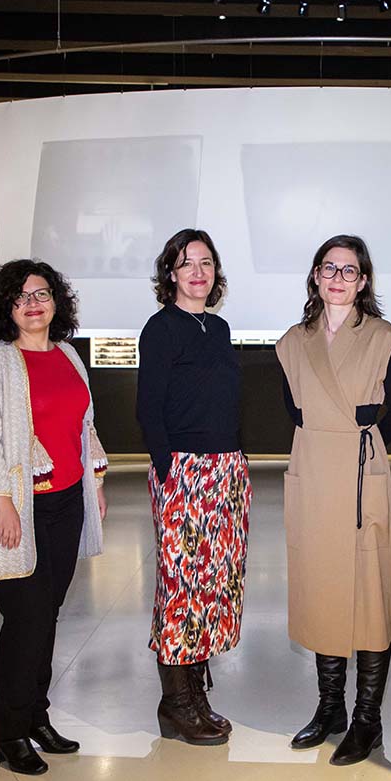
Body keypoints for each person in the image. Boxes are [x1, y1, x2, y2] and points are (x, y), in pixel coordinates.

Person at [0, 259, 109, 776]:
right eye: (20, 298)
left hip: (64, 505)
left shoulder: (68, 357)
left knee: (47, 616)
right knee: (26, 620)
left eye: (41, 293)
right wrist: (2, 500)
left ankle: (36, 716)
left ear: (57, 301)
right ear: (6, 310)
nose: (33, 304)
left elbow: (84, 426)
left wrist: (94, 482)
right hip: (18, 507)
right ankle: (8, 733)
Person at [275, 234, 391, 766]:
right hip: (313, 471)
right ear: (314, 276)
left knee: (370, 596)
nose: (337, 278)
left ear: (364, 280)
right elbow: (293, 407)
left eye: (349, 270)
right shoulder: (292, 341)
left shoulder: (383, 337)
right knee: (322, 588)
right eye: (328, 268)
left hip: (360, 473)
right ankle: (329, 707)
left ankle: (367, 720)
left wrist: (365, 437)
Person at [137, 228, 251, 746]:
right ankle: (175, 703)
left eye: (206, 262)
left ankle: (197, 694)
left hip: (226, 469)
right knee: (181, 586)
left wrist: (235, 460)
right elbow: (149, 408)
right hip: (184, 471)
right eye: (187, 264)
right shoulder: (161, 329)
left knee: (213, 585)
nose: (198, 272)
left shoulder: (220, 328)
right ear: (171, 274)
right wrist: (168, 470)